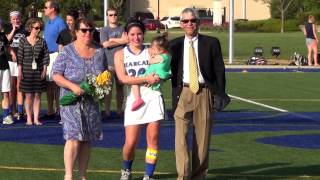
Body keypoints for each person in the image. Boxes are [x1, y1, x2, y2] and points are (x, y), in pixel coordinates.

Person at [169, 8, 227, 179]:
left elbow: (219, 70)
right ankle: (183, 175)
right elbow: (162, 64)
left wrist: (220, 94)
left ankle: (198, 175)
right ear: (181, 24)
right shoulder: (174, 45)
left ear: (198, 23)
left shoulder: (212, 43)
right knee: (181, 139)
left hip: (204, 93)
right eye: (185, 21)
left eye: (192, 21)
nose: (189, 24)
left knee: (202, 141)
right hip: (182, 93)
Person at [52, 18, 107, 180]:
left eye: (91, 30)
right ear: (76, 32)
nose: (88, 33)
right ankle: (68, 175)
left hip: (91, 101)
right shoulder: (67, 51)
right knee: (74, 137)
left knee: (87, 138)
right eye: (84, 30)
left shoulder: (99, 52)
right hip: (71, 100)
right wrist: (73, 86)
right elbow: (55, 74)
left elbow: (103, 74)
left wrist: (102, 86)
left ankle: (83, 175)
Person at [114, 19, 162, 180]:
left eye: (139, 34)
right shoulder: (120, 54)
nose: (136, 38)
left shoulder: (152, 51)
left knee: (153, 139)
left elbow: (163, 69)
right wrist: (145, 78)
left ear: (144, 34)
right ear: (126, 35)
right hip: (134, 99)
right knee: (130, 143)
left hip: (153, 97)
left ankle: (149, 175)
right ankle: (126, 169)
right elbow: (123, 79)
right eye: (132, 34)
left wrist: (160, 75)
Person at [17, 18, 49, 126]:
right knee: (29, 96)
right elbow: (20, 57)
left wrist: (44, 70)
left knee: (37, 96)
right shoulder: (23, 41)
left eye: (40, 28)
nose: (38, 30)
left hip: (38, 72)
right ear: (30, 28)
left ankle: (36, 119)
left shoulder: (42, 41)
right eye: (36, 28)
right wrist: (19, 72)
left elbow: (45, 56)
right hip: (26, 72)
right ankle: (29, 118)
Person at [131, 34, 171, 111]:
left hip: (153, 74)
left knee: (134, 82)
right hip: (158, 75)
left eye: (153, 49)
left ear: (161, 50)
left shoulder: (160, 57)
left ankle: (138, 99)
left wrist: (151, 57)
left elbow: (150, 61)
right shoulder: (167, 55)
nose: (152, 51)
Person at [100, 7, 128, 118]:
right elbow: (105, 44)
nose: (113, 17)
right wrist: (120, 41)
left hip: (122, 64)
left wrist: (112, 40)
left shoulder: (123, 28)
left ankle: (119, 111)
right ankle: (107, 112)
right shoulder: (104, 30)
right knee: (108, 89)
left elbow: (127, 40)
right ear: (107, 16)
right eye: (111, 15)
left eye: (115, 14)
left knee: (120, 88)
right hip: (109, 64)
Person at [43, 0, 67, 119]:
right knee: (48, 84)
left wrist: (61, 57)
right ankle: (50, 110)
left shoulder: (60, 22)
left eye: (46, 7)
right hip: (47, 55)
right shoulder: (47, 22)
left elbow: (64, 40)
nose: (44, 9)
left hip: (57, 55)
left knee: (57, 84)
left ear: (53, 9)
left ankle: (59, 110)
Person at [6, 10, 29, 120]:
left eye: (17, 18)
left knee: (20, 87)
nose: (16, 21)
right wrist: (13, 30)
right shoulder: (7, 29)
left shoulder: (25, 31)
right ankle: (12, 110)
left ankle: (20, 111)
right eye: (13, 19)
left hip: (22, 62)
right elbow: (6, 42)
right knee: (11, 87)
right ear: (10, 20)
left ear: (20, 19)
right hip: (10, 62)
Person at [0, 17, 17, 125]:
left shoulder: (2, 36)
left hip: (4, 66)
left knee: (6, 92)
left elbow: (7, 47)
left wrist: (12, 53)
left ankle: (6, 116)